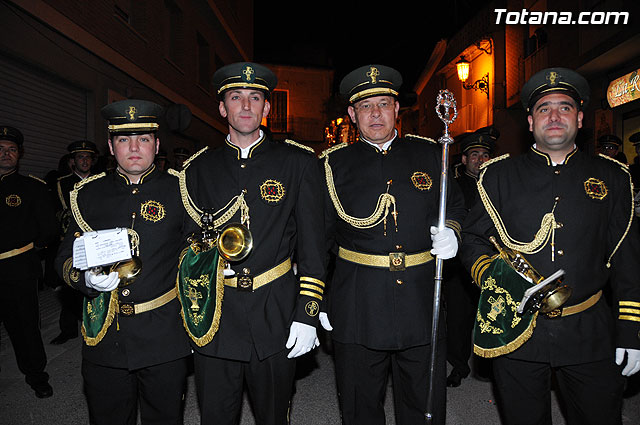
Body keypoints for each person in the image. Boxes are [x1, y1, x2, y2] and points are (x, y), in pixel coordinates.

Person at [461, 67, 640, 425]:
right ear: (530, 121)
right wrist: (495, 278)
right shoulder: (498, 174)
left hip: (589, 330)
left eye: (564, 107)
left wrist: (631, 330)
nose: (554, 116)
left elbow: (627, 258)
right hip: (518, 330)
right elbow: (474, 238)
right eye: (544, 109)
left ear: (580, 118)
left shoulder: (613, 176)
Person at [178, 62, 325, 425]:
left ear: (267, 108)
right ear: (222, 108)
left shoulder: (298, 162)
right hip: (216, 314)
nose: (245, 106)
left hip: (274, 311)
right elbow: (184, 243)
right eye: (235, 97)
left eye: (255, 97)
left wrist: (307, 313)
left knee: (274, 416)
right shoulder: (198, 169)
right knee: (215, 415)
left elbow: (314, 245)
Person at [319, 64, 465, 425]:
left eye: (383, 103)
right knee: (360, 404)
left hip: (420, 297)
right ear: (352, 114)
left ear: (397, 109)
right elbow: (316, 236)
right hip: (357, 303)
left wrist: (453, 232)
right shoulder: (331, 165)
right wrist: (318, 297)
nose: (375, 114)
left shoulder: (431, 155)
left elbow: (457, 206)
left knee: (422, 403)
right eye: (365, 106)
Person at [55, 100, 192, 425]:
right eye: (123, 139)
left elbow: (198, 254)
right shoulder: (89, 194)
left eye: (143, 139)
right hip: (105, 336)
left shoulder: (181, 190)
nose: (134, 148)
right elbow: (63, 258)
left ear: (157, 145)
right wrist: (85, 279)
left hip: (163, 338)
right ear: (111, 145)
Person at [0, 125, 58, 398]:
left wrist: (31, 249)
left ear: (19, 154)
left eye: (11, 150)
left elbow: (48, 228)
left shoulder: (32, 188)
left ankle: (37, 376)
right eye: (1, 149)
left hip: (19, 271)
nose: (6, 154)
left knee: (25, 328)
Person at [444, 126, 498, 387]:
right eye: (474, 154)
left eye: (485, 154)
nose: (480, 159)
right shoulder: (453, 186)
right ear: (464, 159)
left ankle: (489, 364)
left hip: (494, 260)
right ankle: (458, 364)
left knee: (494, 313)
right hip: (460, 263)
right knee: (458, 317)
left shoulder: (500, 184)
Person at [50, 140, 99, 345]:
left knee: (96, 284)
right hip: (72, 242)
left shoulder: (101, 181)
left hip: (96, 240)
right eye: (80, 157)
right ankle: (68, 329)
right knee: (69, 285)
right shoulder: (61, 184)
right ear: (73, 161)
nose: (84, 160)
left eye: (88, 157)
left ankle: (96, 327)